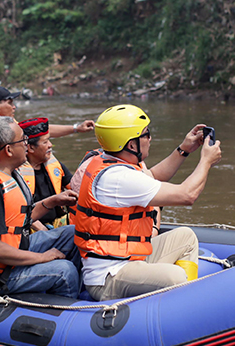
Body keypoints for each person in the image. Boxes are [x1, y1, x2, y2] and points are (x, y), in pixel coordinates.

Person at [73, 104, 222, 301]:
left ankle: (186, 298)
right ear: (131, 145)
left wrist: (184, 149)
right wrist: (206, 161)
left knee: (186, 237)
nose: (150, 138)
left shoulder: (113, 160)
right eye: (146, 134)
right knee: (176, 276)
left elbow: (153, 176)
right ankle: (187, 302)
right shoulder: (118, 178)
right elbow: (187, 195)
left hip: (129, 259)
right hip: (110, 276)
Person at [0, 116, 83, 299]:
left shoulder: (7, 172)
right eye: (23, 140)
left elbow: (21, 218)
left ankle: (72, 290)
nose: (27, 144)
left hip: (14, 250)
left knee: (71, 233)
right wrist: (43, 257)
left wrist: (53, 201)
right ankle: (69, 310)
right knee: (64, 269)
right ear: (8, 150)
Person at [0, 86, 94, 196]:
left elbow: (40, 132)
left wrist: (76, 128)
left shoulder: (11, 126)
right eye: (10, 102)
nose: (14, 106)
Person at [17, 117, 73, 227]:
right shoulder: (17, 174)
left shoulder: (55, 165)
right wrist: (43, 230)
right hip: (33, 228)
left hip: (58, 223)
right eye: (45, 142)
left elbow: (74, 187)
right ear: (30, 148)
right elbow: (19, 212)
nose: (50, 145)